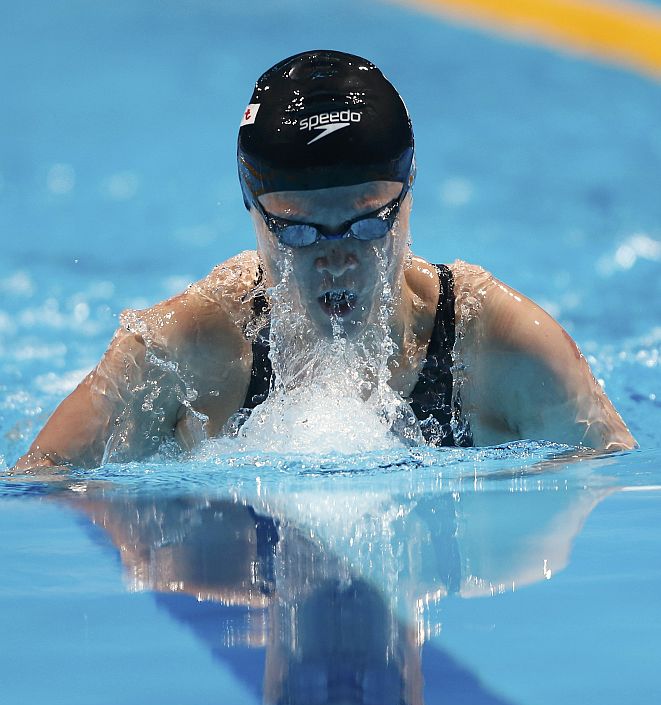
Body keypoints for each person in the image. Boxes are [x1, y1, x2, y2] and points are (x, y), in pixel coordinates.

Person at [13, 50, 636, 472]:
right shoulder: (181, 355)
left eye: (368, 222)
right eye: (299, 231)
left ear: (409, 197)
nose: (335, 258)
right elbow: (39, 491)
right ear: (252, 211)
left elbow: (610, 487)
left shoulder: (502, 349)